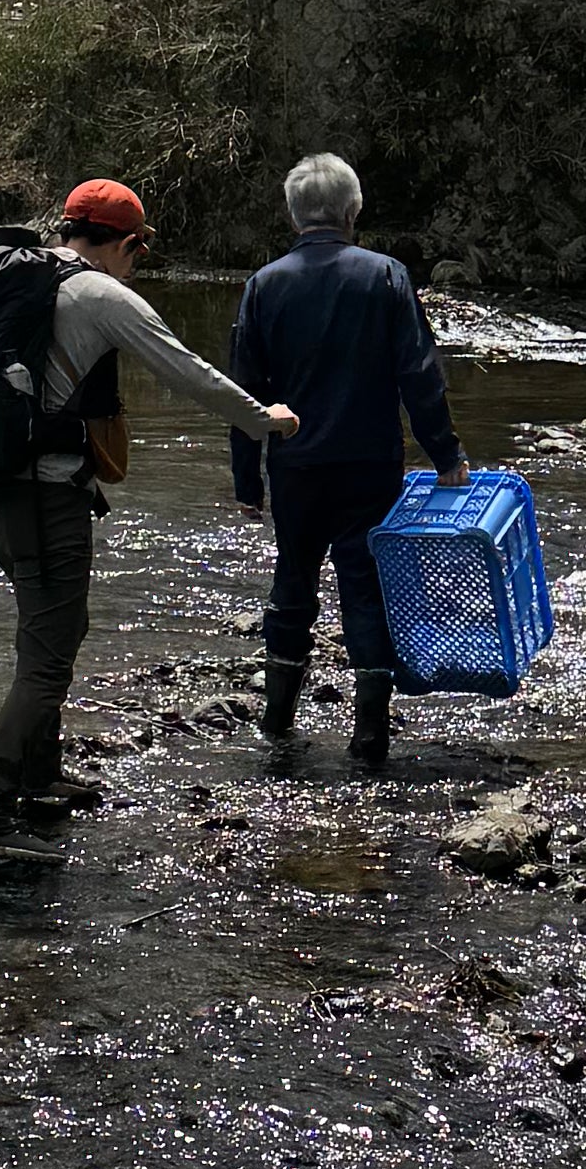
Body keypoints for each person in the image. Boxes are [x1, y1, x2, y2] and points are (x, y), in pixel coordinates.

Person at [0, 178, 291, 858]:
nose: (136, 265)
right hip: (45, 501)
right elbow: (188, 371)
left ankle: (40, 778)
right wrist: (264, 420)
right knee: (48, 661)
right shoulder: (100, 294)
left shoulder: (14, 278)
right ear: (127, 243)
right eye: (138, 252)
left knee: (44, 635)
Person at [228, 152, 462, 773]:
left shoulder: (264, 284)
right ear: (353, 211)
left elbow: (243, 394)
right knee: (365, 590)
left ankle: (276, 728)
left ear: (294, 214)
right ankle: (369, 738)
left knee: (292, 585)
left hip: (296, 465)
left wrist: (246, 481)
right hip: (369, 464)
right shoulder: (385, 276)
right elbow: (419, 374)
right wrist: (446, 456)